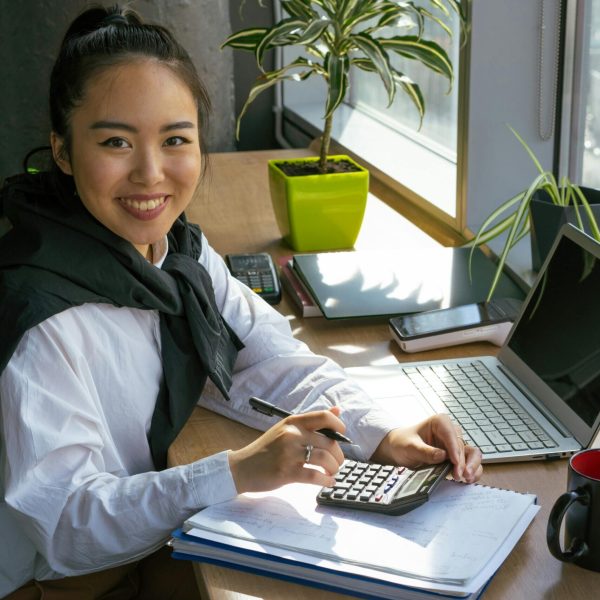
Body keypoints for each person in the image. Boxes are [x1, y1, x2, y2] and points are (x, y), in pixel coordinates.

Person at [0, 4, 483, 599]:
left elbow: (267, 358)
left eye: (175, 139)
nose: (151, 173)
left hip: (139, 543)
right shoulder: (41, 315)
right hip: (55, 583)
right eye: (117, 142)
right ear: (64, 151)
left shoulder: (176, 255)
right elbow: (65, 526)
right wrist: (236, 471)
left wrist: (383, 431)